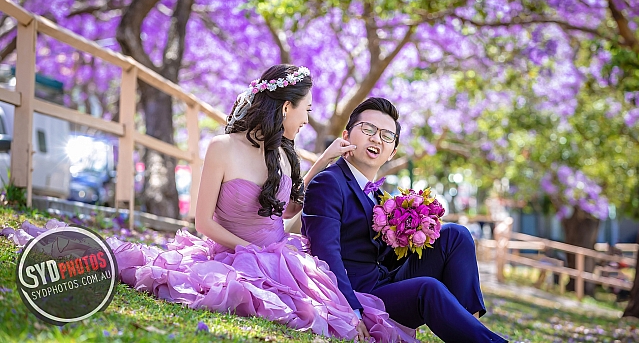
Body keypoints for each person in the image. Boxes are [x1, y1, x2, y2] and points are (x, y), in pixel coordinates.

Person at [3, 65, 415, 342]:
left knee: (335, 313)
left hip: (281, 256)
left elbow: (288, 214)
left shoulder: (282, 154)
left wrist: (321, 161)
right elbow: (203, 222)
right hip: (238, 253)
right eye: (305, 109)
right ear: (286, 106)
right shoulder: (221, 147)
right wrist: (250, 251)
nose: (307, 119)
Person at [302, 97, 508, 342]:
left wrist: (414, 231)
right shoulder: (329, 182)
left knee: (456, 235)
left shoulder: (380, 195)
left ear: (392, 152)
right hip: (360, 294)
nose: (376, 139)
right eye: (368, 129)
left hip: (386, 281)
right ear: (346, 136)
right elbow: (325, 253)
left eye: (386, 135)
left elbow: (385, 256)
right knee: (428, 288)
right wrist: (351, 311)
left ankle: (471, 327)